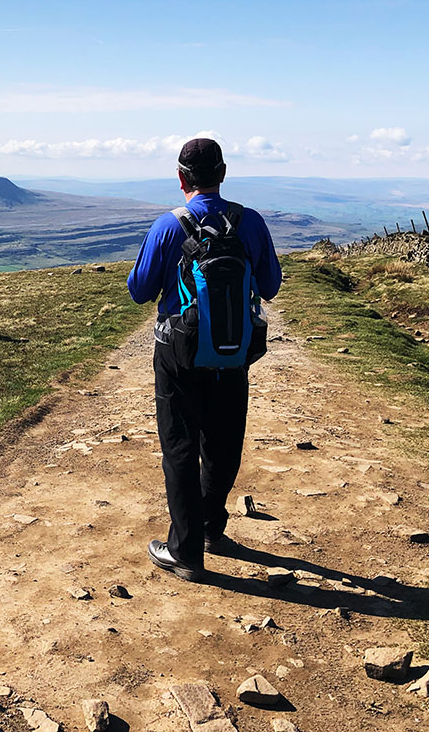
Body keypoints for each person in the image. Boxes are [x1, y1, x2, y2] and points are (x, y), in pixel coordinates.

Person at [127, 137, 282, 582]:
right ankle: (213, 527)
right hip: (232, 355)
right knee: (223, 442)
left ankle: (186, 552)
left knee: (179, 448)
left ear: (181, 179)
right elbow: (270, 286)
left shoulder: (168, 225)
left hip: (177, 354)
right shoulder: (248, 222)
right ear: (224, 172)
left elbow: (139, 291)